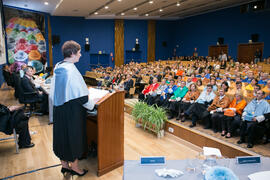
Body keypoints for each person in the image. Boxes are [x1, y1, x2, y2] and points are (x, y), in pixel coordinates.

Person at [50, 41, 94, 176]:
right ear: (73, 53)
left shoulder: (58, 66)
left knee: (62, 137)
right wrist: (92, 104)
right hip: (71, 111)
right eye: (79, 52)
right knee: (73, 137)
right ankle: (75, 167)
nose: (80, 55)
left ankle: (64, 166)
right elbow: (81, 96)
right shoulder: (71, 70)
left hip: (59, 108)